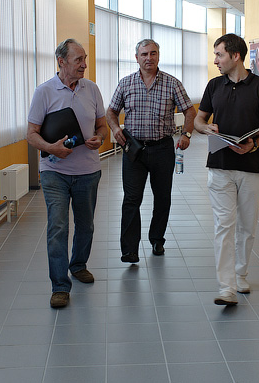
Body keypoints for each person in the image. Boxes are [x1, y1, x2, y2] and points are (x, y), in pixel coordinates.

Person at [194, 33, 259, 306]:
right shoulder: (214, 85)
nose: (215, 60)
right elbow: (198, 120)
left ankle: (241, 274)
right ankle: (226, 287)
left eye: (219, 55)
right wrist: (206, 128)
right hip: (219, 165)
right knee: (223, 226)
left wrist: (254, 145)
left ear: (236, 56)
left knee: (247, 227)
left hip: (250, 166)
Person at [27, 39, 107, 308]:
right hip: (54, 172)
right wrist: (51, 148)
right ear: (61, 61)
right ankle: (60, 286)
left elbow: (102, 126)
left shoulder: (92, 89)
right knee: (58, 227)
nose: (84, 65)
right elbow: (31, 134)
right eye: (78, 60)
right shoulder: (44, 92)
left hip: (88, 171)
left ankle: (78, 265)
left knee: (86, 225)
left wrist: (99, 138)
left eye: (85, 59)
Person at [107, 39, 196, 263]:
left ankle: (157, 239)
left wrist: (186, 134)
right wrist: (116, 128)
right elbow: (111, 111)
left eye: (153, 53)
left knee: (162, 197)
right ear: (136, 58)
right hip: (134, 150)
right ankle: (129, 250)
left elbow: (190, 111)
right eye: (144, 54)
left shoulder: (172, 83)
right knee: (131, 199)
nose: (149, 58)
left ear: (158, 56)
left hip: (162, 149)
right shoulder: (126, 83)